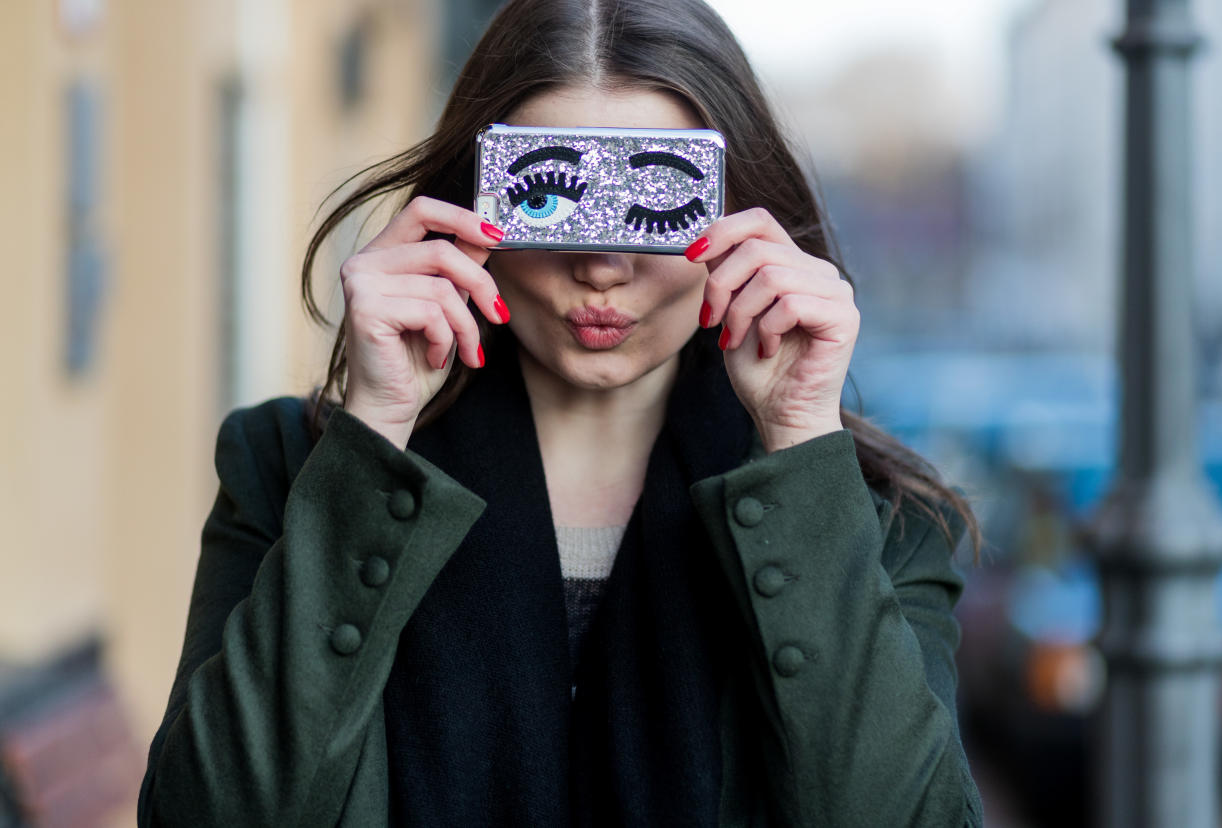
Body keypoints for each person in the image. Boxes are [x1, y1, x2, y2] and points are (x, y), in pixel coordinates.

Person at [138, 0, 986, 824]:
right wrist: (374, 432)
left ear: (736, 214)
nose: (602, 263)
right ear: (475, 208)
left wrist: (802, 436)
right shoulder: (292, 468)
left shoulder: (878, 518)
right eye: (546, 196)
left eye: (657, 203)